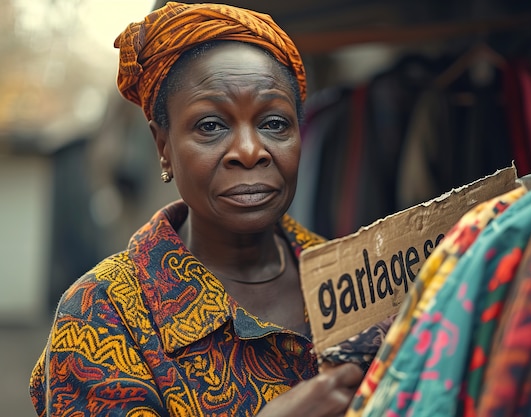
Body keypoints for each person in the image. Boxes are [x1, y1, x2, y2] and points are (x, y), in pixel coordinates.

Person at [29, 2, 364, 416]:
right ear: (163, 147)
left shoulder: (351, 271)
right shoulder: (102, 314)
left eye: (275, 123)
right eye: (211, 125)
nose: (249, 151)